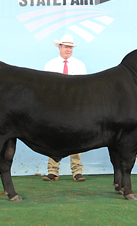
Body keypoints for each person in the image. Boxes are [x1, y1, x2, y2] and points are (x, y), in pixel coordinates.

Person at [42, 34, 86, 182]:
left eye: (71, 47)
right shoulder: (50, 65)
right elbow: (46, 88)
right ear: (59, 47)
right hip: (56, 105)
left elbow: (83, 87)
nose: (69, 50)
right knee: (54, 136)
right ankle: (52, 171)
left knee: (77, 135)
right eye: (66, 47)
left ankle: (77, 171)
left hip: (74, 106)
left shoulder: (79, 65)